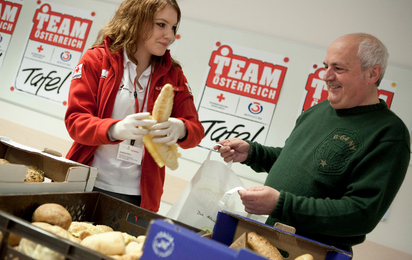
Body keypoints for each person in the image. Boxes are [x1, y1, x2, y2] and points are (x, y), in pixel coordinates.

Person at [214, 33, 410, 252]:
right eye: (326, 66)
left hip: (314, 253)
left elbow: (361, 213)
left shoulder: (389, 134)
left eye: (339, 68)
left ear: (373, 73)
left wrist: (282, 204)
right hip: (270, 241)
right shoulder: (320, 109)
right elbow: (296, 161)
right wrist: (252, 153)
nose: (326, 76)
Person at [65, 0, 204, 213]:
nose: (170, 35)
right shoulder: (96, 59)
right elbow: (75, 121)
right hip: (86, 181)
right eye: (161, 24)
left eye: (173, 27)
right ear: (136, 20)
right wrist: (114, 129)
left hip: (138, 196)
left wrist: (180, 128)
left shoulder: (173, 75)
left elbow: (195, 132)